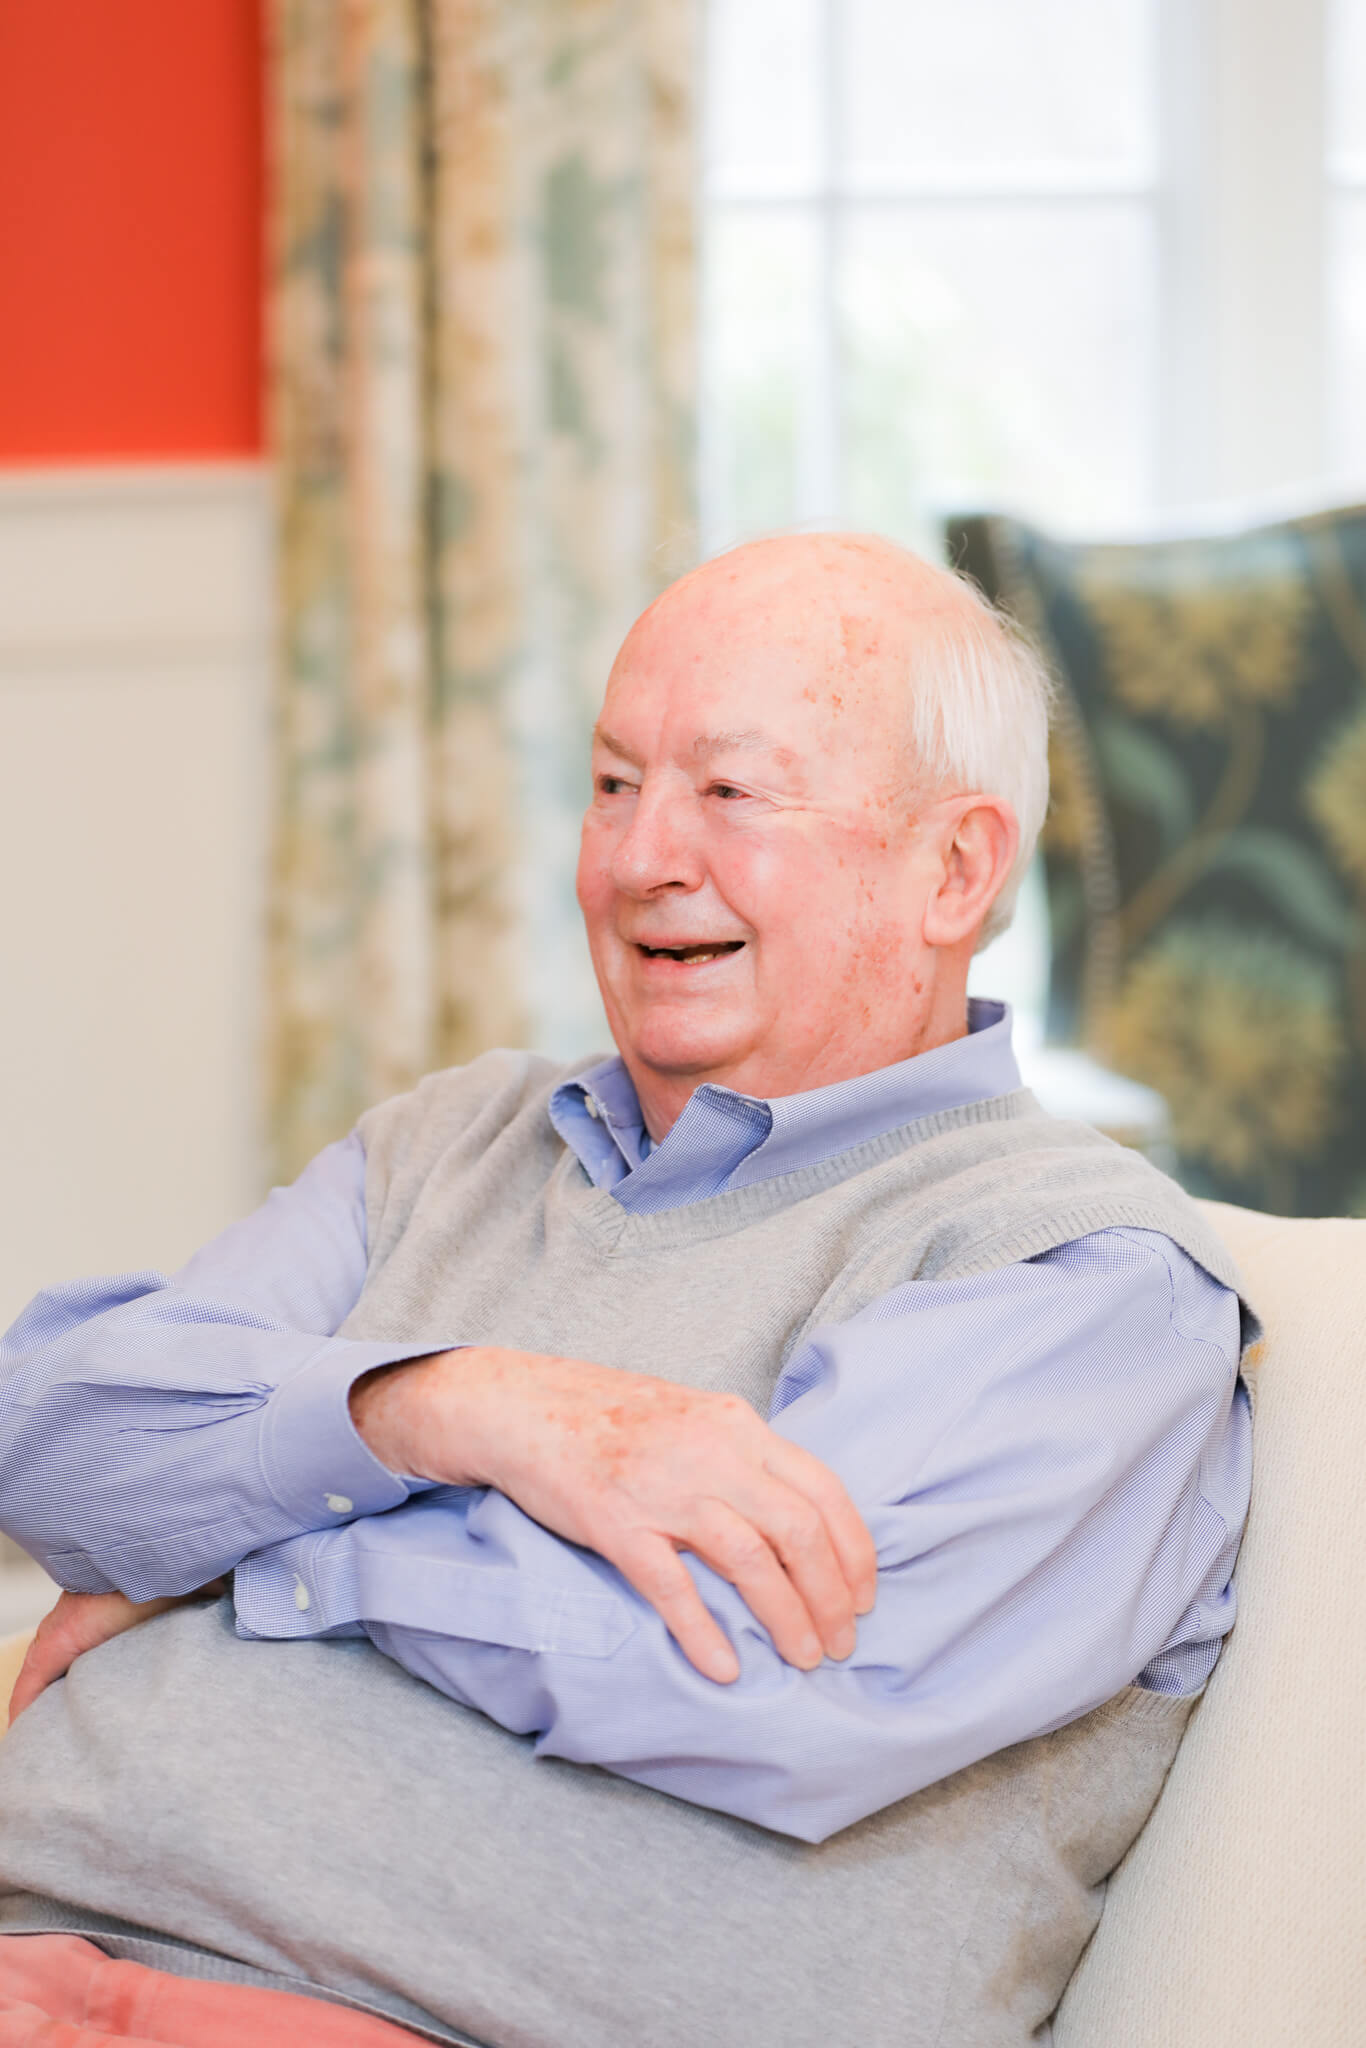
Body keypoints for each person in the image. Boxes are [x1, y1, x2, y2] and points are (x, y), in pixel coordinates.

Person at [0, 534, 1253, 2046]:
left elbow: (733, 1666)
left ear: (954, 868)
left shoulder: (1069, 1269)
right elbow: (55, 1433)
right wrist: (447, 1409)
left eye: (729, 792)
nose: (639, 856)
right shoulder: (449, 1139)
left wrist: (235, 1542)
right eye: (611, 784)